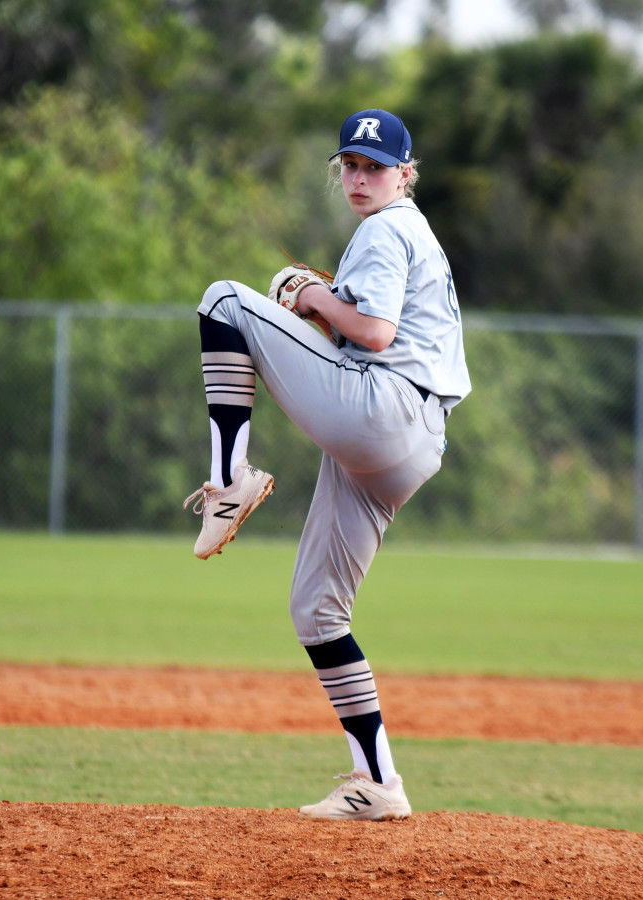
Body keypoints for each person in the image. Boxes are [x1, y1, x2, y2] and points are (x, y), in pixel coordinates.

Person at [183, 108, 471, 821]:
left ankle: (230, 481)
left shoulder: (387, 226)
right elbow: (365, 332)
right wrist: (325, 307)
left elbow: (372, 333)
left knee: (223, 299)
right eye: (350, 164)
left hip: (384, 408)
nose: (360, 177)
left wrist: (311, 297)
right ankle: (378, 783)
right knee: (317, 611)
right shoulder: (414, 236)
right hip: (408, 445)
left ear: (406, 175)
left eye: (375, 166)